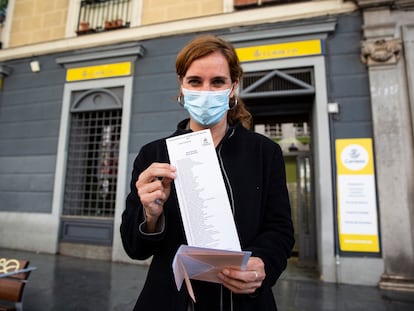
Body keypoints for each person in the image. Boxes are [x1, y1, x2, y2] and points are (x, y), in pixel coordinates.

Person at [121, 34, 294, 311]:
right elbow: (134, 248)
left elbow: (280, 230)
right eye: (194, 81)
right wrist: (150, 216)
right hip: (170, 300)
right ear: (181, 85)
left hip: (242, 302)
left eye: (217, 82)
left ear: (233, 86)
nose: (205, 91)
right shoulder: (153, 156)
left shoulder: (264, 153)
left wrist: (262, 264)